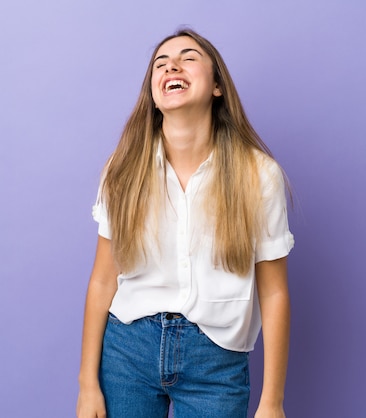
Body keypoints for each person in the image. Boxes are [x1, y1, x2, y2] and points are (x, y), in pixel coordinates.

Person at [76, 28, 294, 418]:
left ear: (217, 86)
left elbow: (274, 293)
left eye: (188, 57)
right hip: (127, 353)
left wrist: (272, 402)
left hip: (217, 362)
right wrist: (87, 384)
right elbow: (103, 279)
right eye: (160, 63)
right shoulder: (122, 171)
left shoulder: (258, 174)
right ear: (155, 93)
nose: (171, 65)